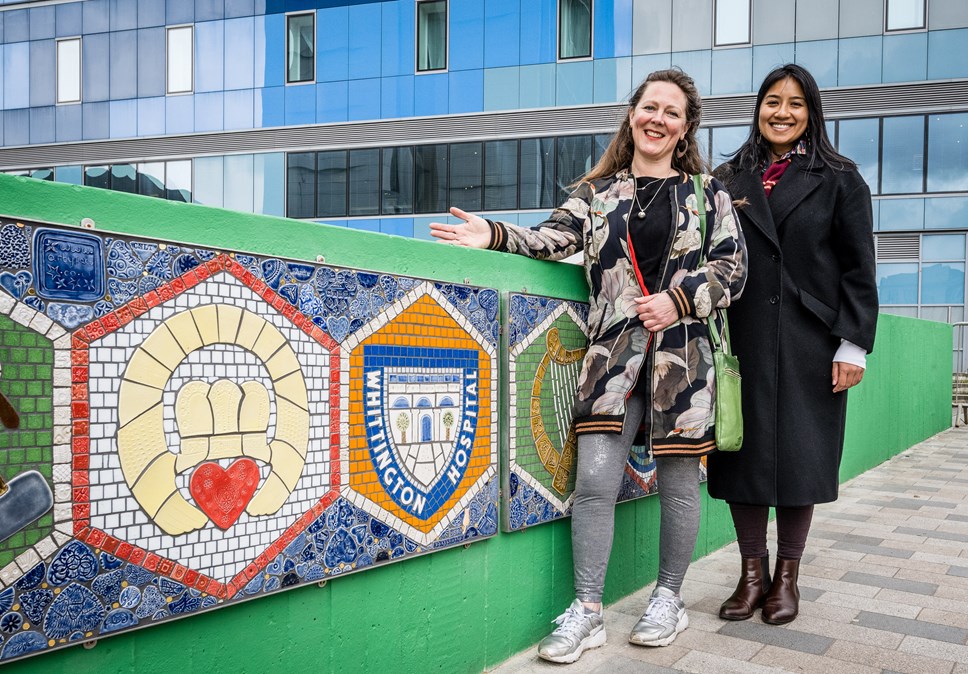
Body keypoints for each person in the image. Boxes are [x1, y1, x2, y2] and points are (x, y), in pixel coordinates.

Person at [431, 69, 747, 664]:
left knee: (679, 489)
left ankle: (669, 599)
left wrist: (677, 300)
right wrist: (491, 234)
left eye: (671, 112)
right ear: (632, 116)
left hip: (685, 362)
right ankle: (587, 611)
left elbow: (734, 270)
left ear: (685, 129)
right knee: (595, 484)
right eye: (648, 107)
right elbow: (550, 240)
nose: (658, 119)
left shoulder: (710, 196)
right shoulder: (598, 193)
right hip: (611, 359)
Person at [708, 63, 878, 625]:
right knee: (742, 454)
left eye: (796, 103)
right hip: (742, 339)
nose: (782, 113)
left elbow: (859, 269)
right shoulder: (727, 178)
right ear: (757, 108)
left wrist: (852, 345)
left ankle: (787, 577)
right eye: (772, 101)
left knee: (801, 457)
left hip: (813, 341)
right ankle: (750, 574)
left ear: (812, 112)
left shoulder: (840, 177)